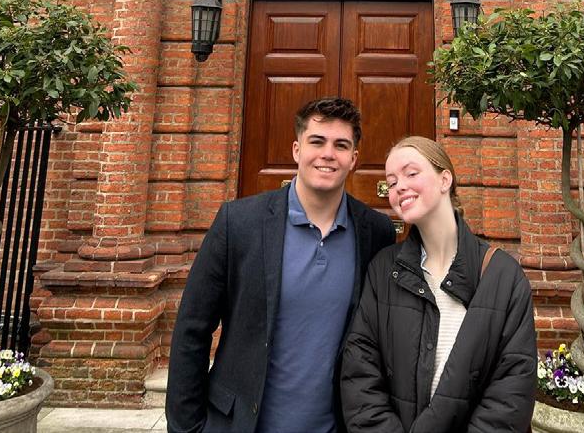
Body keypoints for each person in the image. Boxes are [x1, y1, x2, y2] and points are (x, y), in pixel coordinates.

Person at [166, 96, 395, 433]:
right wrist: (186, 428)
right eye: (316, 141)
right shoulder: (238, 223)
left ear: (354, 159)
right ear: (296, 150)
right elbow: (192, 329)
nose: (328, 154)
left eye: (341, 145)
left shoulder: (376, 232)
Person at [341, 136, 537, 433]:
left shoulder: (503, 276)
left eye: (411, 173)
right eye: (391, 182)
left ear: (445, 179)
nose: (399, 187)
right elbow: (360, 374)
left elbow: (511, 392)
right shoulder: (383, 271)